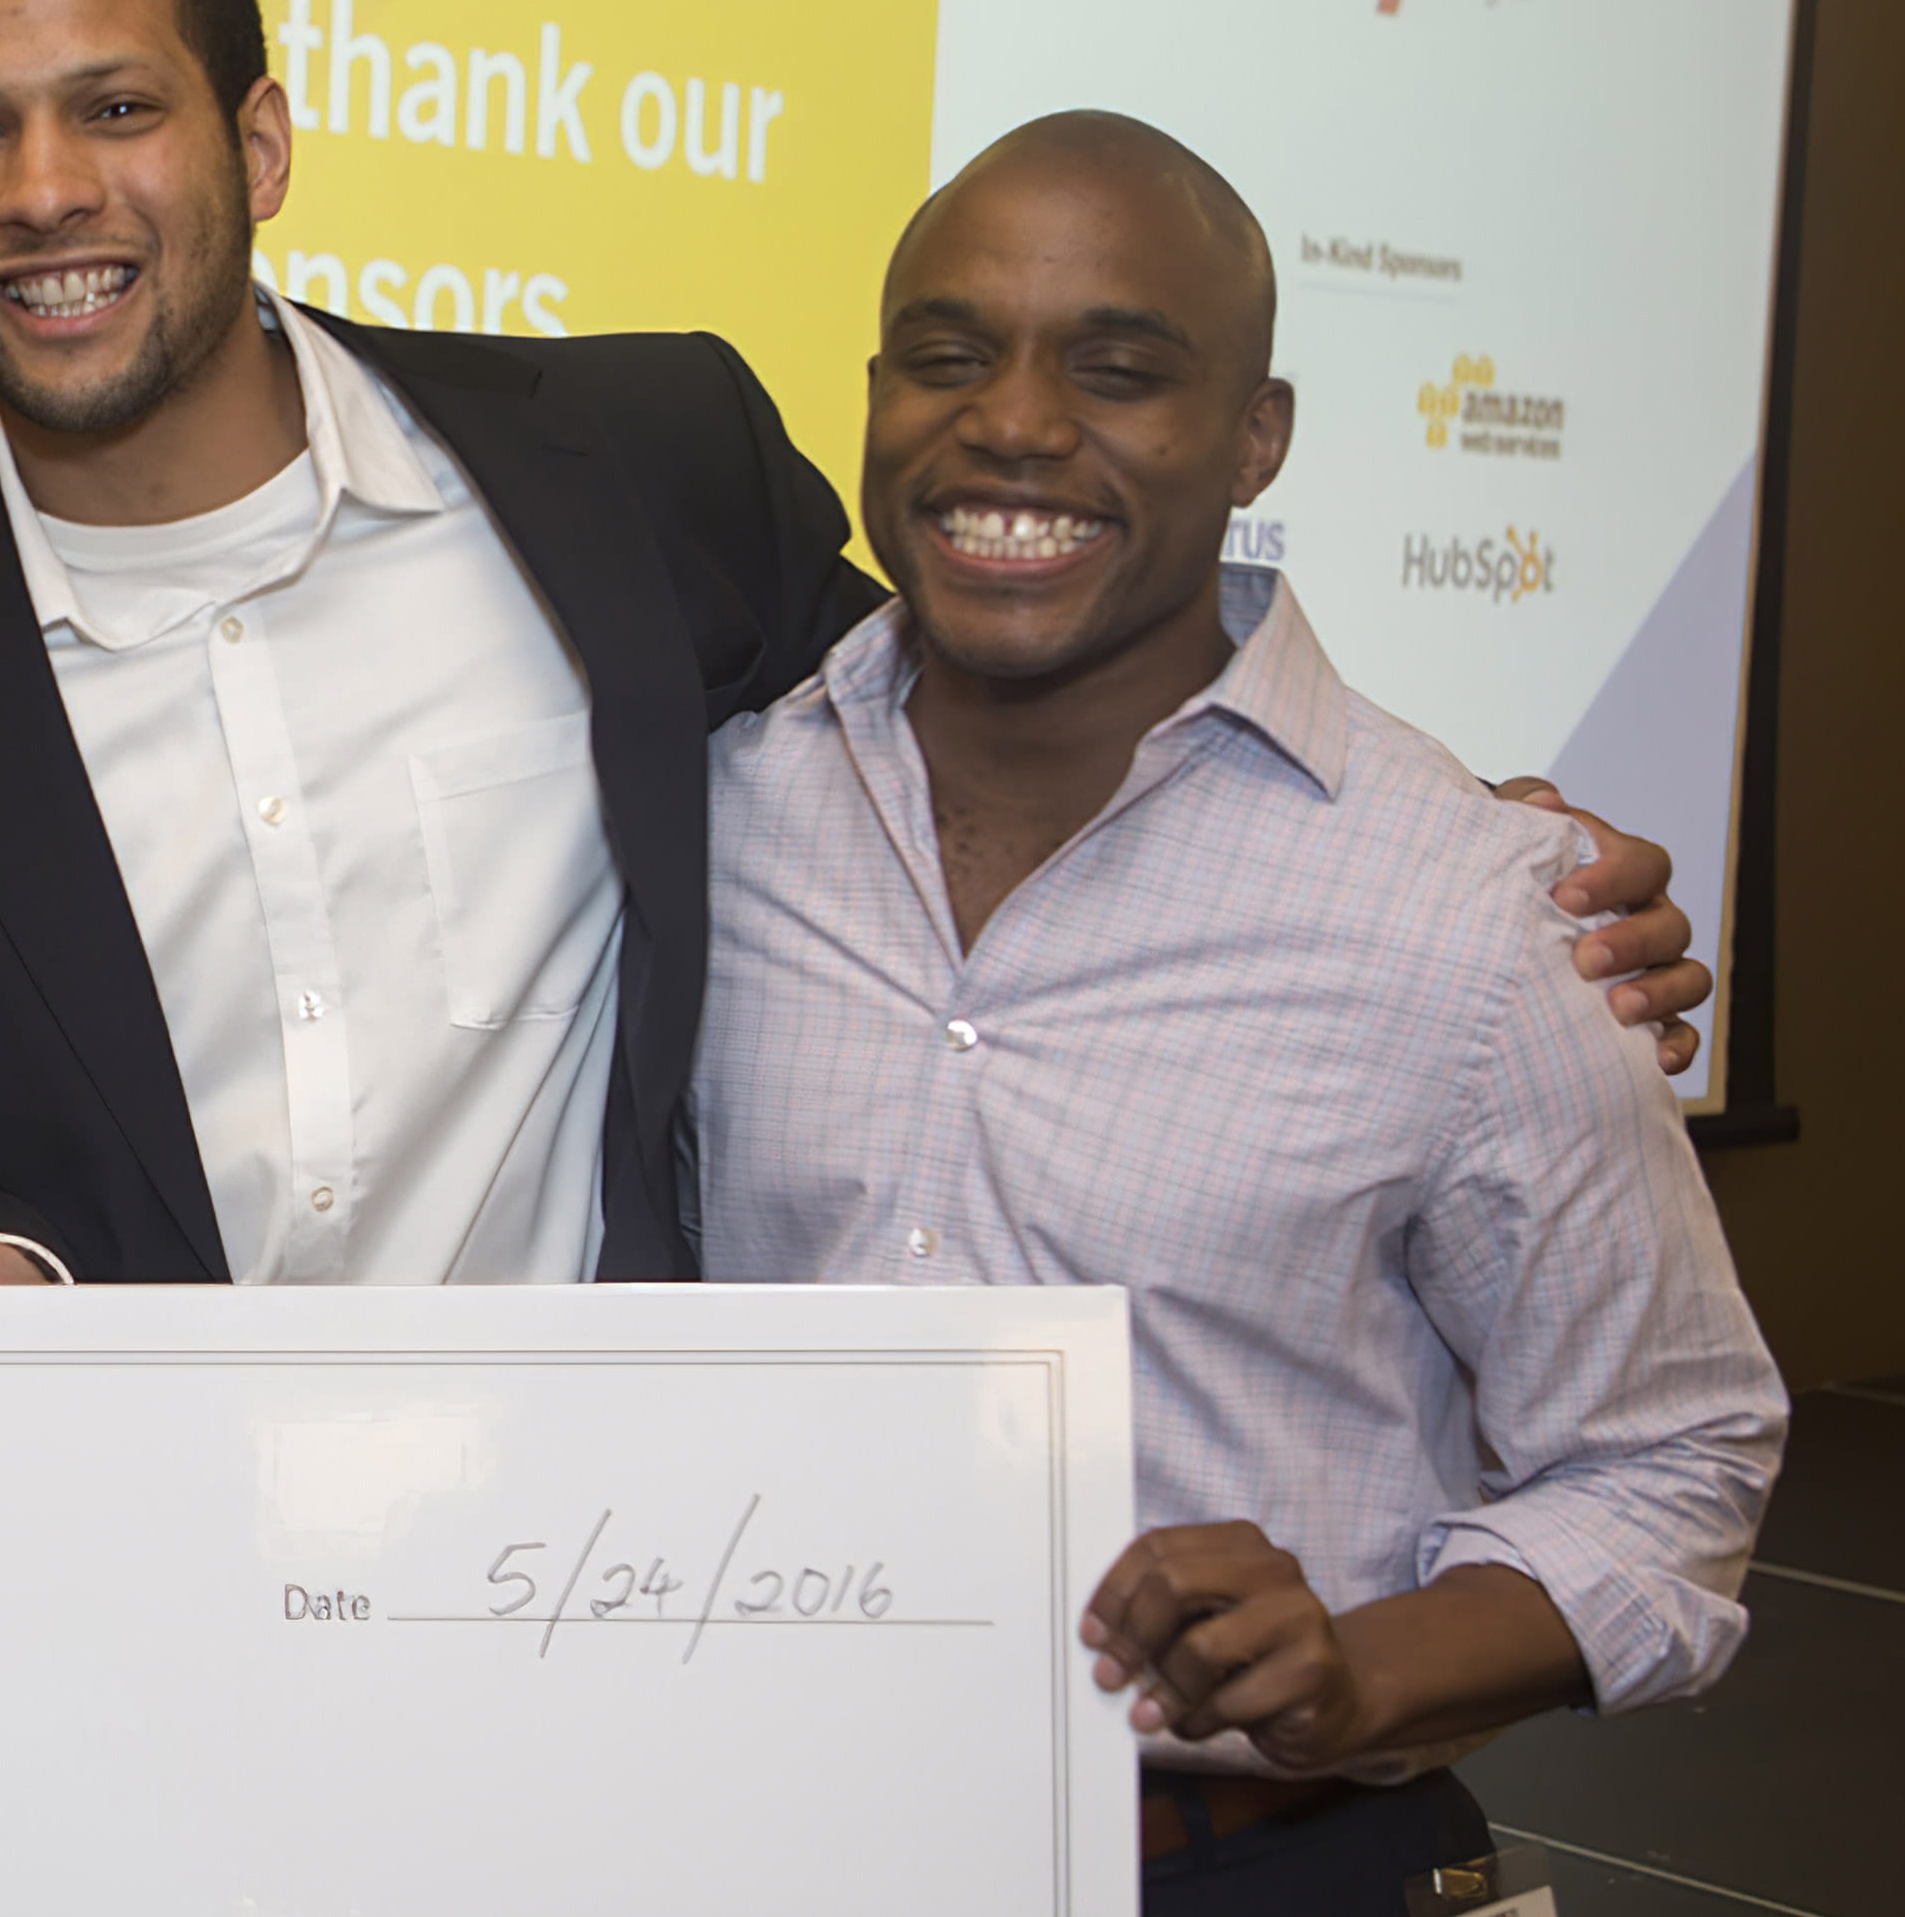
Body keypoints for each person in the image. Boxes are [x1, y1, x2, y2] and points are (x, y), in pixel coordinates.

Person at [0, 0, 1712, 1309]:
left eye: (115, 109)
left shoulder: (632, 466)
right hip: (117, 1586)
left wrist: (1439, 850)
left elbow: (983, 729)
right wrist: (12, 1263)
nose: (44, 191)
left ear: (256, 145)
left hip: (622, 1572)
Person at [692, 112, 1787, 1913]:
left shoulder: (1470, 911)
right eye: (947, 357)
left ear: (1256, 434)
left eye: (1118, 370)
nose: (1015, 422)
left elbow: (1672, 1466)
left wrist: (1361, 1672)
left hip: (1249, 1867)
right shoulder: (714, 822)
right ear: (875, 395)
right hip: (743, 1845)